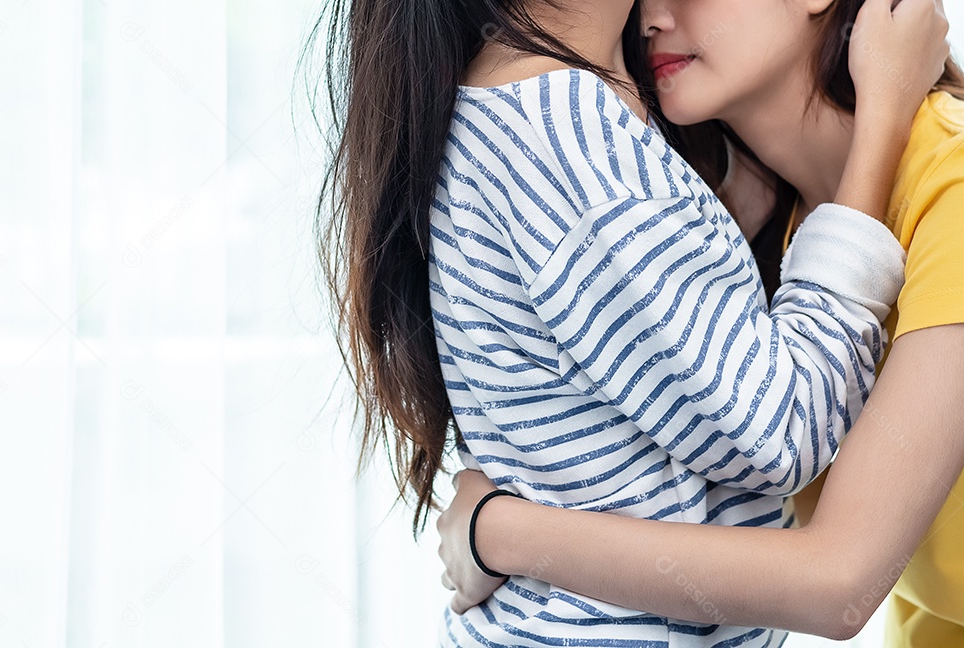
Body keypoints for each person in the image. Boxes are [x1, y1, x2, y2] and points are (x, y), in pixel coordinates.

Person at [314, 0, 947, 644]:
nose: (656, 16)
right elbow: (780, 433)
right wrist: (882, 120)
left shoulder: (525, 115)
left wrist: (498, 532)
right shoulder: (567, 131)